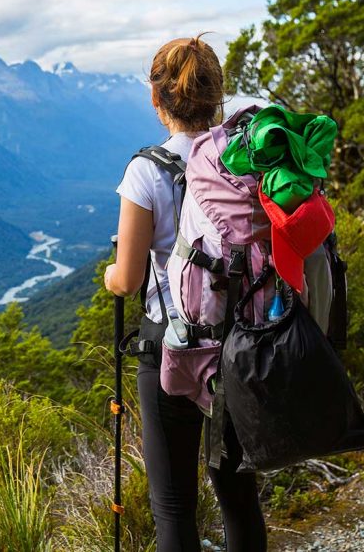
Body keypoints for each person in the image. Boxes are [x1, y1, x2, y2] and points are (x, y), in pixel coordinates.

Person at [103, 35, 267, 552]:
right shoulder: (242, 159)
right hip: (241, 345)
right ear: (218, 95)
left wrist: (110, 273)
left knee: (173, 506)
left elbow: (127, 281)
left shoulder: (146, 172)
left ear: (157, 100)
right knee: (238, 492)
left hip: (170, 348)